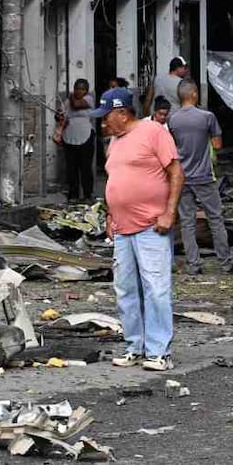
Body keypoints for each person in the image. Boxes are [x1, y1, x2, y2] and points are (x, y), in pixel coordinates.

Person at [91, 86, 184, 372]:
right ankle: (135, 346)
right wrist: (110, 214)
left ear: (122, 112)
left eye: (107, 116)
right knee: (126, 290)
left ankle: (159, 352)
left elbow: (176, 172)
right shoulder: (115, 142)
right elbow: (116, 181)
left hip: (151, 226)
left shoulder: (153, 131)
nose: (103, 122)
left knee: (155, 288)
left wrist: (169, 212)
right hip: (122, 229)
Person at [167, 79, 233, 275]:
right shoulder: (207, 117)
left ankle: (194, 265)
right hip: (204, 176)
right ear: (194, 94)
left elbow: (170, 148)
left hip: (182, 178)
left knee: (187, 222)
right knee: (215, 219)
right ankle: (225, 264)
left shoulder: (172, 119)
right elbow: (218, 144)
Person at [56, 78, 95, 202]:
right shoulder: (68, 101)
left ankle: (88, 195)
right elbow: (58, 116)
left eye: (82, 89)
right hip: (70, 137)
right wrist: (59, 116)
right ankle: (73, 195)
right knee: (71, 168)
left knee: (85, 168)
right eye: (77, 88)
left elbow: (76, 105)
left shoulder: (88, 99)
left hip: (86, 136)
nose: (79, 91)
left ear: (86, 91)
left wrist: (71, 96)